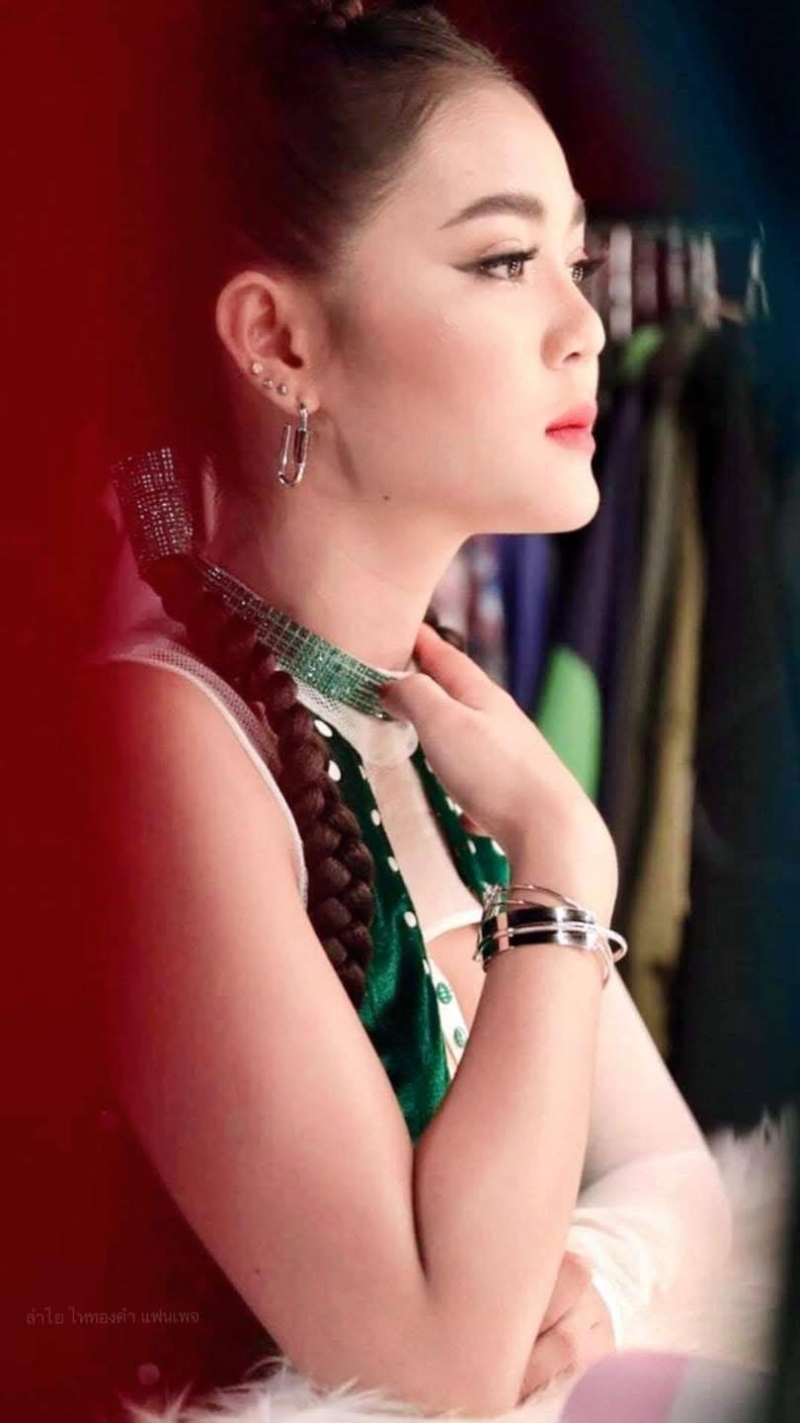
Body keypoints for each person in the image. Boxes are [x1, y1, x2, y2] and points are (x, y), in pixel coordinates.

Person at [80, 1, 733, 1419]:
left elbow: (680, 1179)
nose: (585, 327)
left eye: (574, 263)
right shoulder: (163, 747)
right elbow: (438, 1373)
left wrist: (597, 1278)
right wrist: (565, 866)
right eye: (504, 262)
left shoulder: (436, 727)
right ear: (279, 340)